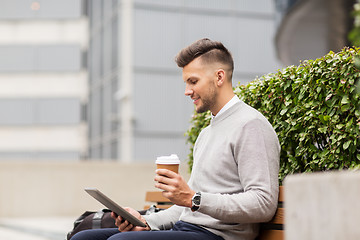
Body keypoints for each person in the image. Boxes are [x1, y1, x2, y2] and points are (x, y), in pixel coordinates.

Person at [71, 38, 280, 240]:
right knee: (84, 237)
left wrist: (194, 198)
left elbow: (263, 203)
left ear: (219, 77)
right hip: (187, 229)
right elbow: (186, 207)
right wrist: (145, 222)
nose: (187, 91)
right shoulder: (208, 132)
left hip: (217, 236)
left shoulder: (251, 125)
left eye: (193, 81)